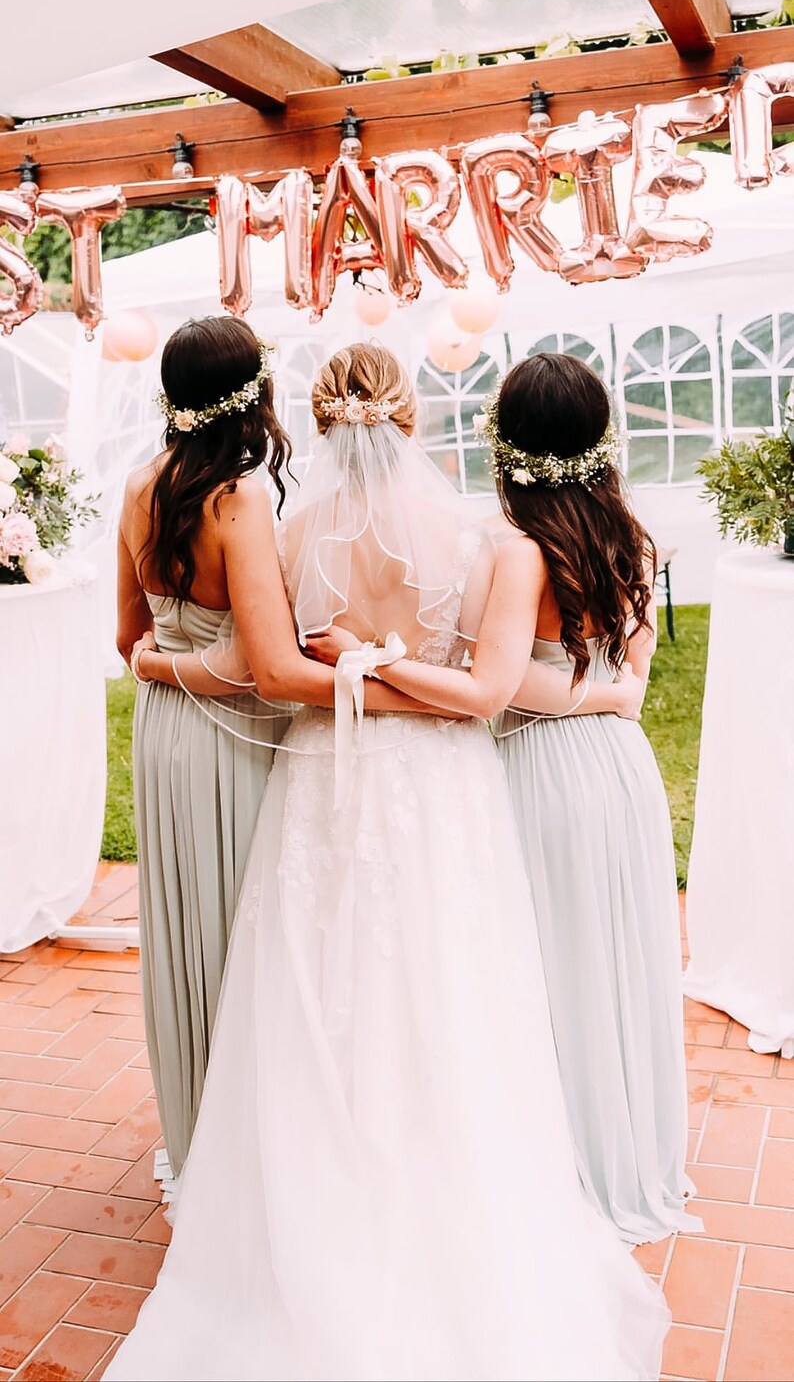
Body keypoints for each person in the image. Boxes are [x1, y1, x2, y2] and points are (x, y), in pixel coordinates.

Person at [107, 343, 668, 1382]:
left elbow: (274, 677)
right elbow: (477, 679)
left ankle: (321, 1189)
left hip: (322, 777)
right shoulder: (467, 532)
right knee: (450, 986)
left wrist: (346, 666)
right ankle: (453, 1182)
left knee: (319, 982)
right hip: (439, 780)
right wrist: (401, 674)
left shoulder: (284, 528)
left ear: (318, 421)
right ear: (409, 418)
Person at [325, 352, 701, 1247]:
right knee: (617, 958)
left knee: (550, 969)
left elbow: (490, 691)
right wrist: (605, 696)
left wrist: (369, 656)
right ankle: (635, 1156)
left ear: (507, 443)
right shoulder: (631, 535)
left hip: (542, 775)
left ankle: (569, 1167)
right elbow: (631, 680)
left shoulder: (518, 552)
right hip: (620, 767)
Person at [117, 319, 441, 1187]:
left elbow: (128, 640)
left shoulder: (138, 485)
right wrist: (394, 692)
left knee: (184, 926)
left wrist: (167, 664)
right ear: (254, 395)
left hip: (164, 733)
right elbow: (270, 671)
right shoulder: (240, 497)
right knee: (238, 935)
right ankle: (245, 1160)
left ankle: (194, 1134)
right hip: (229, 737)